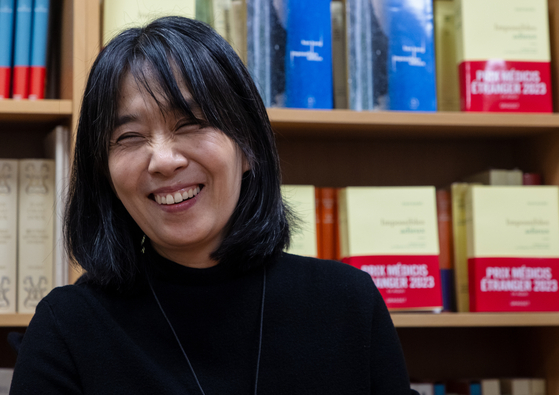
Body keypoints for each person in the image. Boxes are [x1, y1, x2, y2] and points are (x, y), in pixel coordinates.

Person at [10, 16, 417, 394]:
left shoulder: (348, 303)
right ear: (105, 174)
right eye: (129, 137)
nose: (163, 160)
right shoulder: (66, 329)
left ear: (248, 147)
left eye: (190, 123)